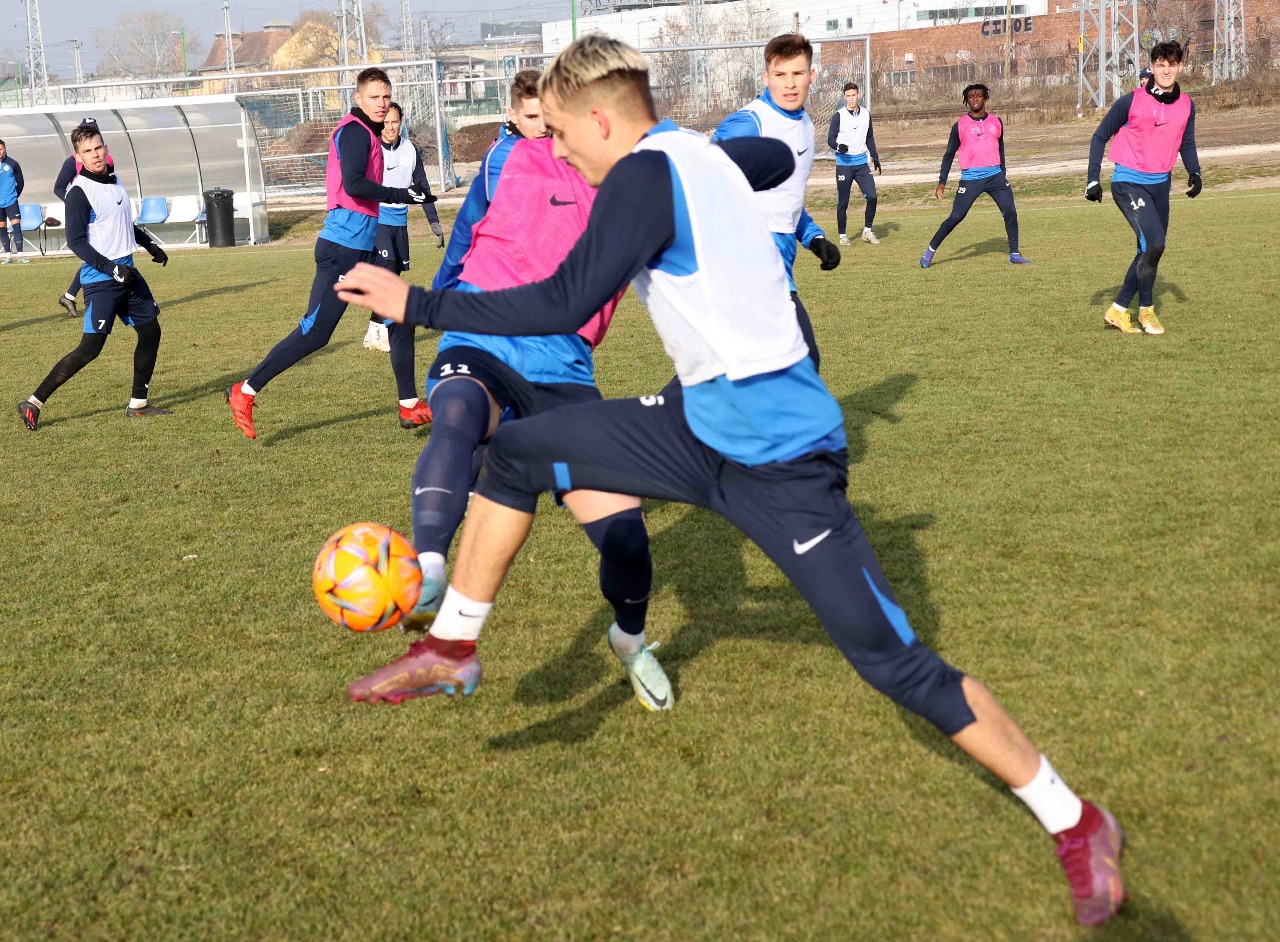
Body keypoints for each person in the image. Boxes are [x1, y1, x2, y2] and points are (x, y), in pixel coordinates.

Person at [337, 35, 1127, 928]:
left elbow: (563, 300)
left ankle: (1077, 820)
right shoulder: (688, 152)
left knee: (895, 662)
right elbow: (764, 159)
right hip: (694, 424)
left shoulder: (644, 174)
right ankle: (453, 647)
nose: (554, 151)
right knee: (517, 452)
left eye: (559, 132)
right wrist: (728, 158)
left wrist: (420, 304)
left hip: (782, 456)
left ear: (601, 120)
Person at [347, 131, 664, 709]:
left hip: (562, 367)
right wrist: (438, 302)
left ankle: (630, 639)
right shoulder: (504, 157)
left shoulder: (633, 176)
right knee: (458, 408)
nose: (545, 123)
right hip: (482, 337)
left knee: (626, 540)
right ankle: (429, 571)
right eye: (532, 109)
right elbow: (464, 234)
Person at [225, 67, 434, 439]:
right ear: (358, 98)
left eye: (386, 96)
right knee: (316, 334)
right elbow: (354, 185)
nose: (382, 103)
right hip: (342, 251)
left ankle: (408, 405)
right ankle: (245, 390)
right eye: (374, 97)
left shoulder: (368, 131)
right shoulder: (355, 132)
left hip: (363, 247)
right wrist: (402, 195)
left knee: (400, 313)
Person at [18, 124, 171, 431]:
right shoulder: (79, 192)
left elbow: (124, 223)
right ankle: (33, 402)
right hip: (101, 280)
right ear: (78, 157)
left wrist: (149, 244)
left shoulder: (115, 181)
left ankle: (138, 404)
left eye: (98, 148)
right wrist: (112, 269)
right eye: (87, 151)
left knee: (151, 332)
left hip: (129, 274)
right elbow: (76, 242)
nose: (95, 154)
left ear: (106, 148)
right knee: (90, 349)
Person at [712, 33, 839, 369]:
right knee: (800, 360)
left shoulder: (806, 125)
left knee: (735, 369)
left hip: (780, 263)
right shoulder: (748, 124)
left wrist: (813, 238)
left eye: (798, 73)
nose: (790, 84)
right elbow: (704, 178)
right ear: (766, 77)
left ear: (812, 75)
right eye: (780, 75)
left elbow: (785, 198)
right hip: (748, 264)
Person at [1086, 41, 1200, 336]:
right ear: (1151, 67)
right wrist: (1093, 179)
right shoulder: (1130, 101)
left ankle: (1117, 310)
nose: (1166, 70)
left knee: (1148, 249)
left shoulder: (1187, 105)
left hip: (1161, 185)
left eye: (1172, 65)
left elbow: (1187, 142)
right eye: (1160, 65)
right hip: (1128, 182)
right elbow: (1099, 137)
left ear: (1180, 66)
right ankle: (1146, 311)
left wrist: (1195, 171)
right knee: (1156, 243)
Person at [358, 103, 442, 430]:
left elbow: (422, 187)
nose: (390, 127)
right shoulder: (372, 149)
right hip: (377, 221)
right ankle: (377, 330)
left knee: (393, 276)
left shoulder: (410, 150)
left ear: (401, 123)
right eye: (386, 122)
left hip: (399, 224)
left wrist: (433, 221)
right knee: (387, 273)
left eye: (395, 122)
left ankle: (376, 329)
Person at [433, 69, 548, 296]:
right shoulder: (503, 158)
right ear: (513, 115)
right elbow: (471, 222)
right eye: (532, 117)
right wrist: (444, 284)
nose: (543, 127)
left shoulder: (556, 147)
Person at [920, 84, 1031, 268]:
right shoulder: (960, 125)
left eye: (979, 95)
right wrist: (942, 182)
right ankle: (929, 251)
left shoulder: (996, 122)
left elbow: (1000, 147)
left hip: (995, 176)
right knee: (956, 216)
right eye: (971, 97)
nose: (975, 99)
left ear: (985, 98)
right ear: (967, 100)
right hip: (971, 178)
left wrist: (1003, 171)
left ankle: (1014, 254)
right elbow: (948, 155)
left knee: (1010, 211)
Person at [54, 118, 116, 315]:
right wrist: (75, 206)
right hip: (86, 217)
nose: (93, 152)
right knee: (95, 255)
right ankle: (73, 296)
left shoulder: (108, 159)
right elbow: (58, 187)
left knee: (98, 256)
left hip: (103, 215)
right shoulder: (72, 161)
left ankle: (70, 296)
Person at [827, 81, 882, 245]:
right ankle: (843, 236)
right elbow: (830, 139)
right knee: (843, 201)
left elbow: (869, 137)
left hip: (861, 164)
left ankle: (867, 231)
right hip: (844, 164)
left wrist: (875, 157)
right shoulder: (838, 116)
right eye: (848, 96)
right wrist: (839, 146)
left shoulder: (866, 114)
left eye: (854, 95)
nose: (851, 99)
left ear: (859, 95)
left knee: (872, 197)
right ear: (845, 97)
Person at [0, 139, 27, 264]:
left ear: (5, 149)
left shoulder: (13, 163)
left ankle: (20, 255)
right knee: (2, 228)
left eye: (0, 149)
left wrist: (14, 195)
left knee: (16, 226)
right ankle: (8, 256)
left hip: (11, 201)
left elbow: (20, 182)